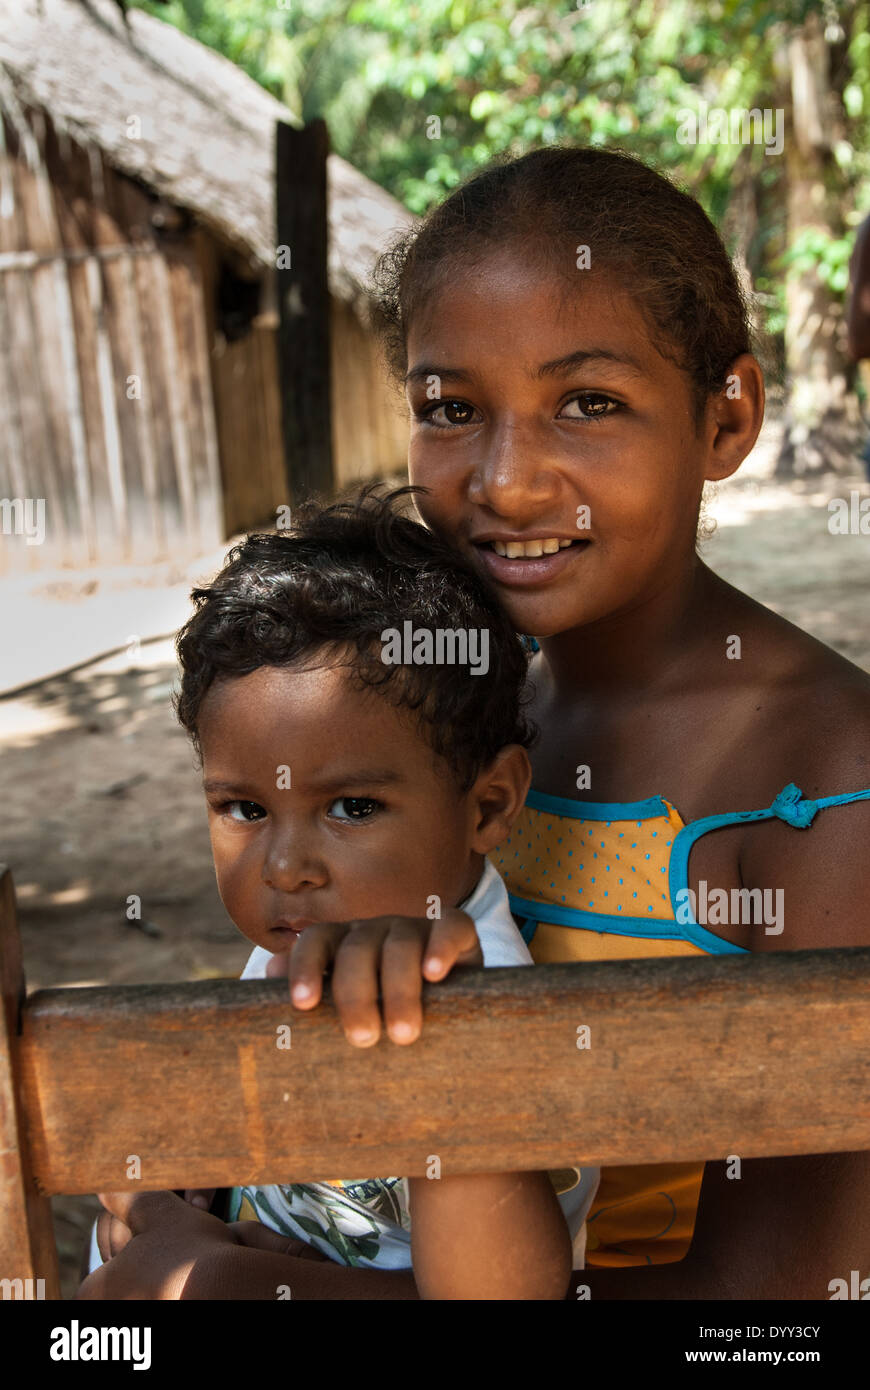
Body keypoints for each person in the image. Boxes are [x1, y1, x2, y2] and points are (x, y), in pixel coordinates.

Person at [78, 488, 597, 1300]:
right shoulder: (293, 943)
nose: (287, 867)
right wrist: (167, 1203)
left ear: (488, 804)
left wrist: (216, 1276)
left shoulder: (479, 998)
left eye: (353, 808)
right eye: (244, 808)